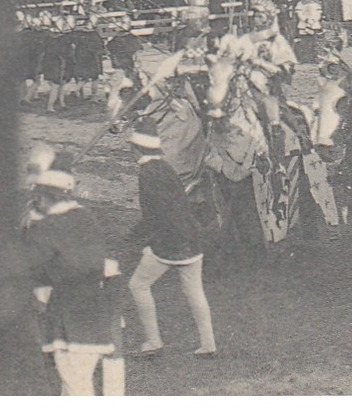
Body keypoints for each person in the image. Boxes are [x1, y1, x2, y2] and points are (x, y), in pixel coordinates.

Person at [23, 151, 117, 395]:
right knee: (76, 381)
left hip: (69, 316)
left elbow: (30, 266)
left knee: (75, 383)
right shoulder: (86, 217)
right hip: (96, 311)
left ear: (44, 197)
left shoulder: (48, 226)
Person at [125, 122, 215, 359]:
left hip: (170, 242)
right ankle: (208, 344)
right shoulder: (165, 167)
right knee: (195, 292)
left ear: (136, 149)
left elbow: (156, 214)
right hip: (192, 238)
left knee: (138, 285)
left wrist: (144, 240)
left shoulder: (147, 174)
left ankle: (153, 341)